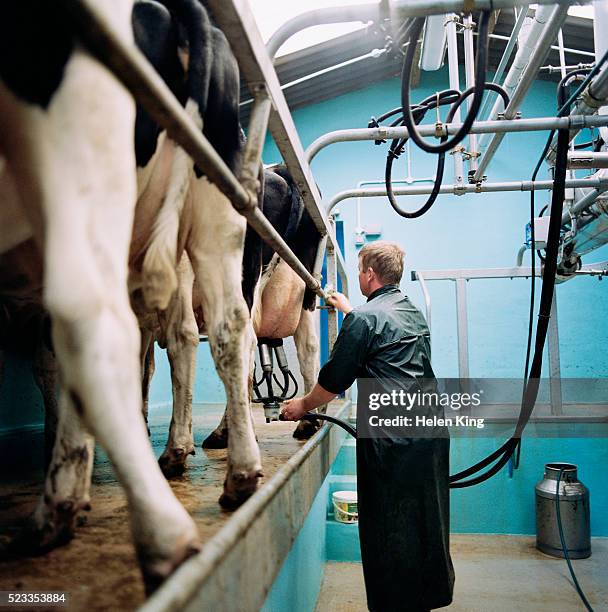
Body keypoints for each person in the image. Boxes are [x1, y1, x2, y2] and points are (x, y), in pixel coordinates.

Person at [281, 240, 454, 611]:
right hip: (430, 431)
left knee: (388, 528)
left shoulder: (364, 319)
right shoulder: (410, 311)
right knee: (426, 521)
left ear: (369, 274)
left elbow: (335, 380)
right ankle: (424, 599)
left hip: (392, 441)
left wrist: (303, 406)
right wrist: (348, 310)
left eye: (360, 270)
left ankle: (394, 604)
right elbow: (381, 338)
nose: (359, 275)